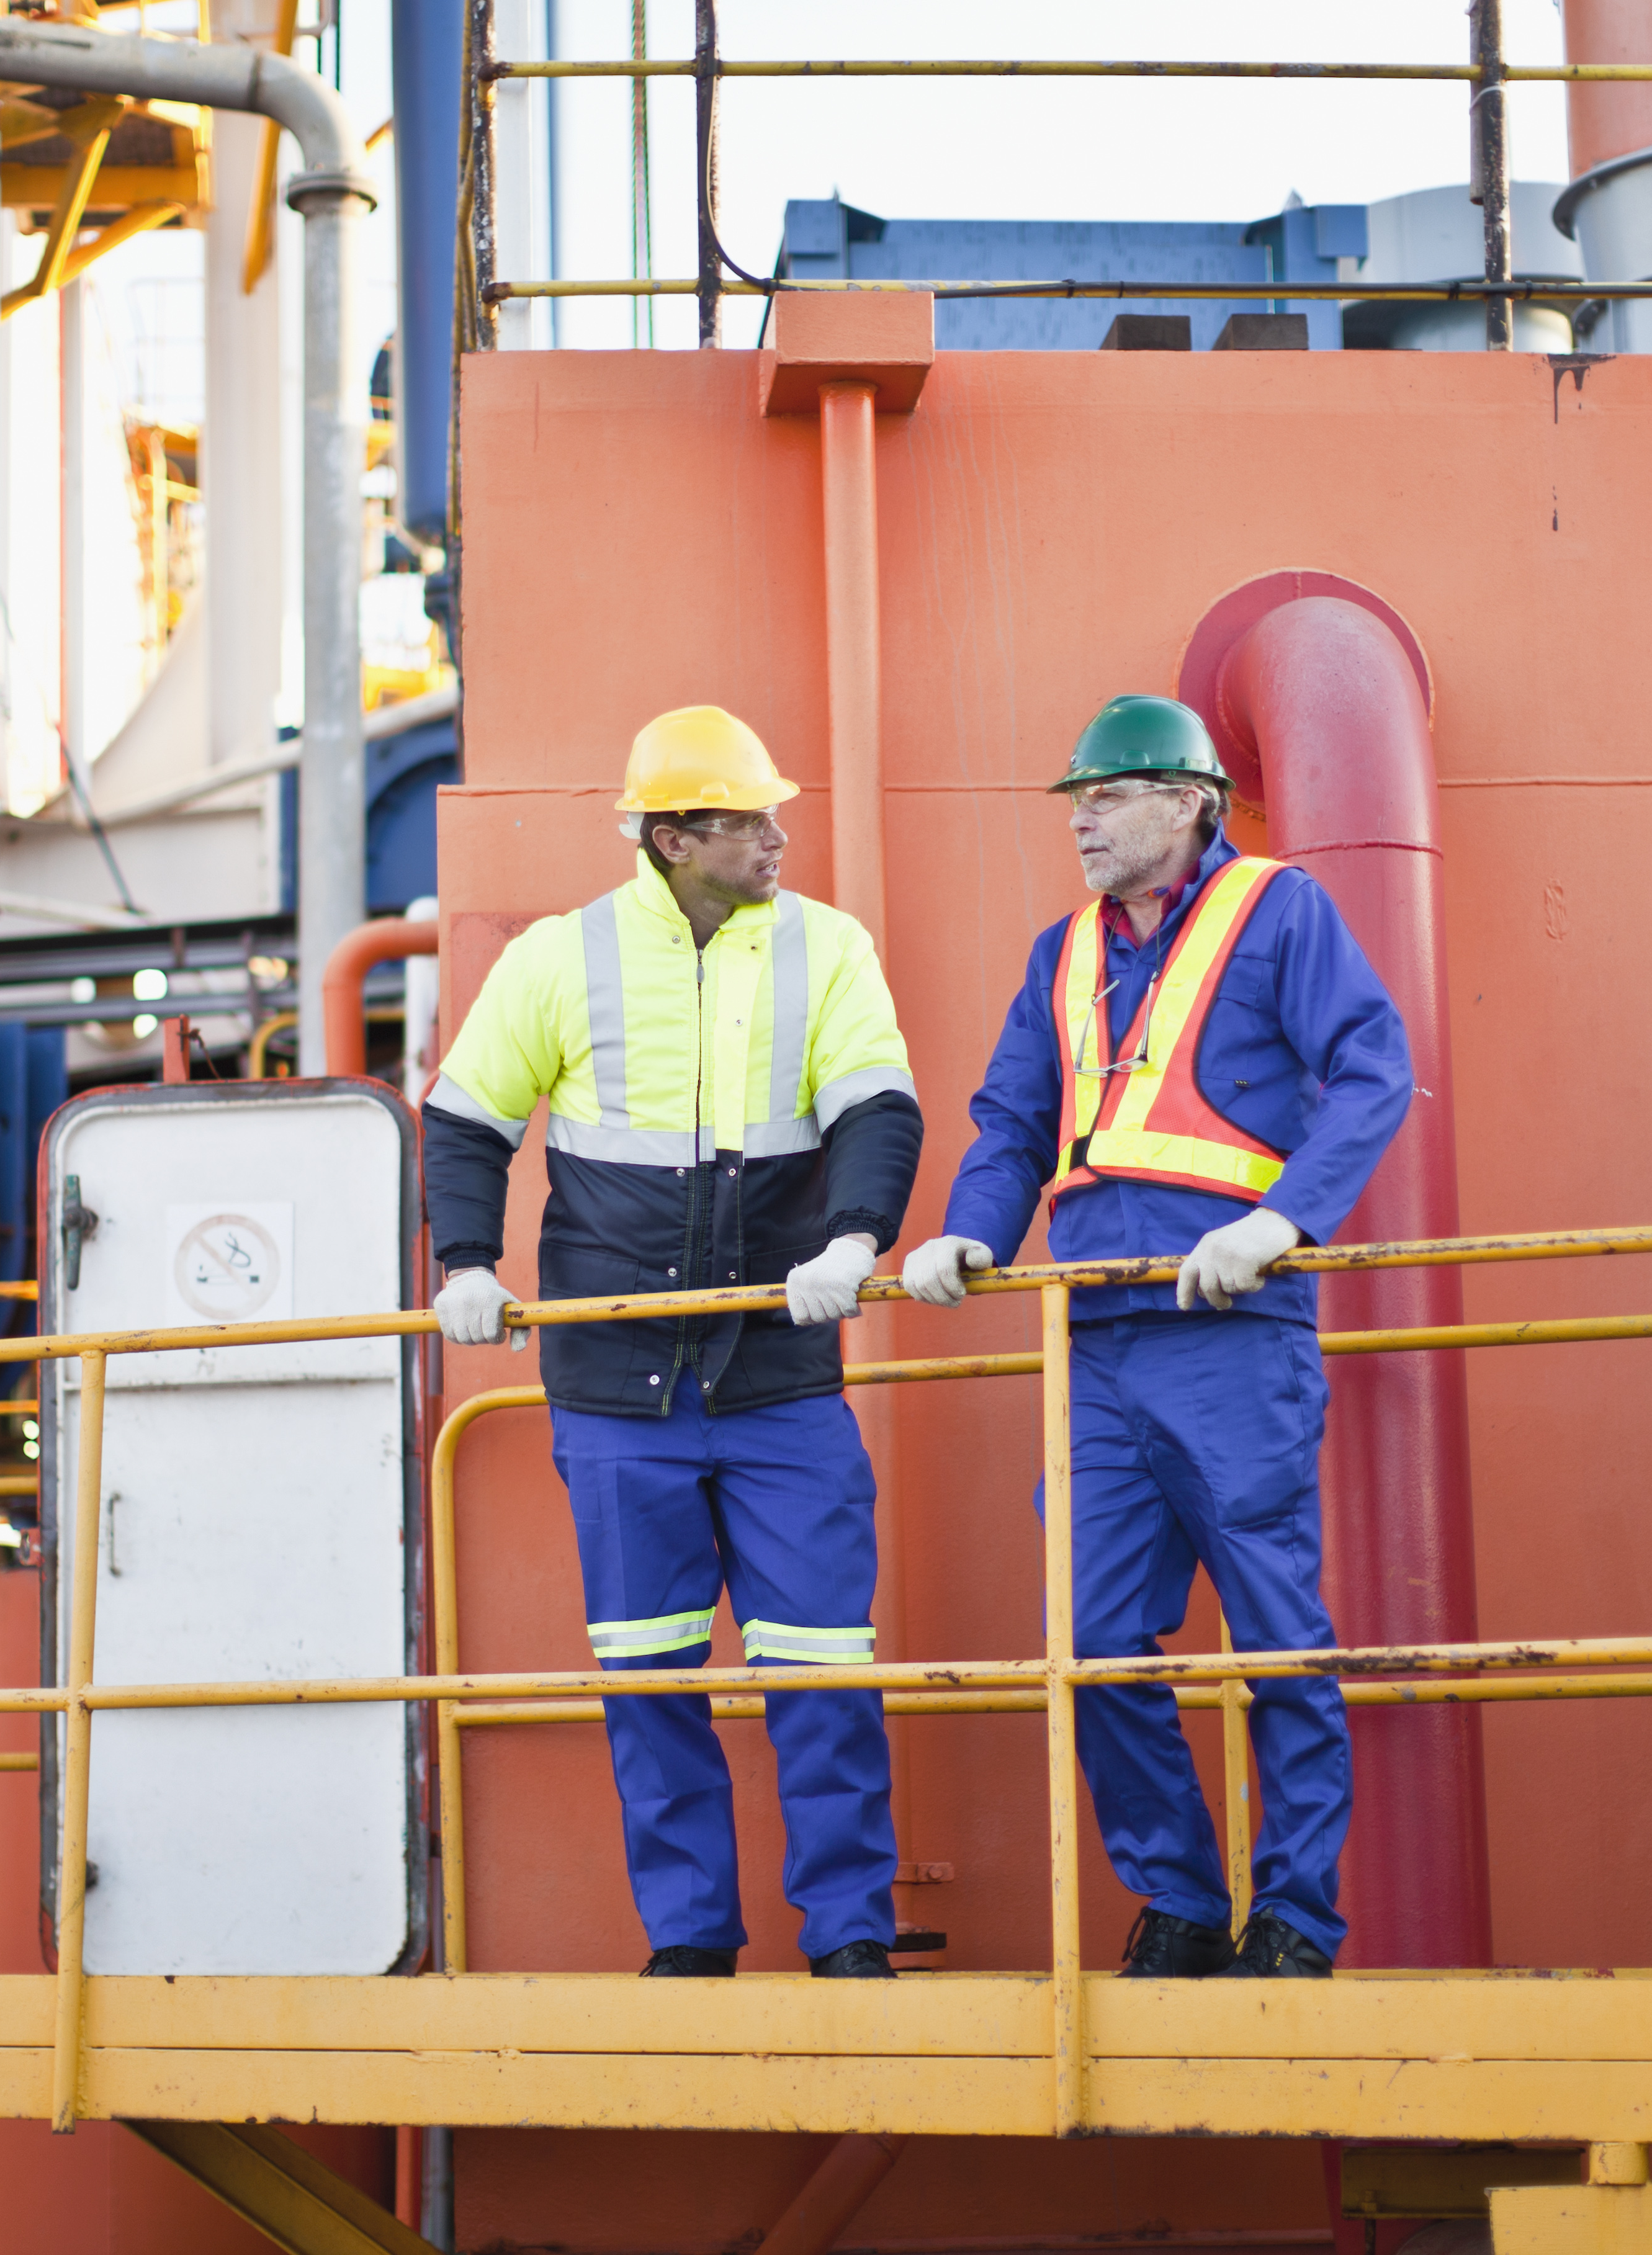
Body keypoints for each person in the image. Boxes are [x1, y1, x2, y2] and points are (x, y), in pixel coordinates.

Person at [900, 693, 1412, 1980]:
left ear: (1188, 801)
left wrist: (1285, 1220)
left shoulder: (1277, 912)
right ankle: (1181, 1900)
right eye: (1074, 792)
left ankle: (1293, 1916)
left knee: (1274, 1629)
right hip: (1095, 1337)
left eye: (1110, 790)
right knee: (1093, 1640)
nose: (1080, 813)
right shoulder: (1059, 953)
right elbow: (1012, 1121)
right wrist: (972, 1230)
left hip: (1228, 1326)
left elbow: (1371, 1066)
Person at [421, 704, 926, 1978]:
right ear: (671, 835)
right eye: (747, 818)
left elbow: (875, 1097)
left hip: (775, 1371)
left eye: (771, 814)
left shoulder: (826, 946)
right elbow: (466, 1117)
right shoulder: (560, 956)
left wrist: (854, 1237)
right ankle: (692, 1938)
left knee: (822, 1673)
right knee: (648, 1681)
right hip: (615, 1382)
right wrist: (464, 1263)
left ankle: (850, 1936)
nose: (772, 836)